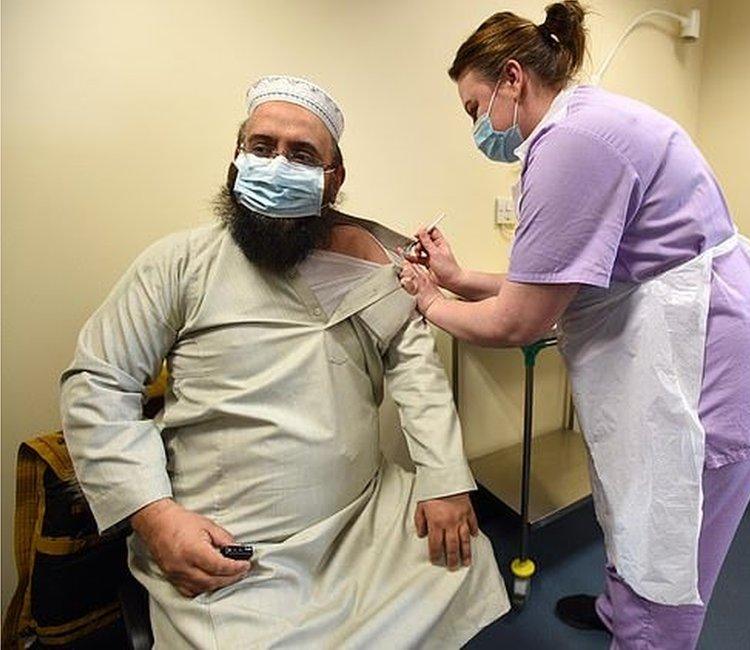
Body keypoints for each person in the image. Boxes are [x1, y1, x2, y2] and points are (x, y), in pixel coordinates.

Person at [398, 3, 750, 648]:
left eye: (475, 109)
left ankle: (644, 632)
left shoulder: (572, 143)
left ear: (512, 78)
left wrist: (428, 302)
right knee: (632, 505)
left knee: (667, 548)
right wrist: (453, 277)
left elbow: (519, 321)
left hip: (712, 373)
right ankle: (622, 611)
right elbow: (557, 280)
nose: (478, 128)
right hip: (691, 346)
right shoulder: (587, 124)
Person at [60, 75, 509, 649]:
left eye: (301, 155)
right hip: (236, 541)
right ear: (236, 156)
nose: (276, 166)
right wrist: (155, 517)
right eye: (262, 147)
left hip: (362, 517)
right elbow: (99, 382)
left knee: (466, 563)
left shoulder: (376, 266)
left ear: (333, 179)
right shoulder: (179, 264)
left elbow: (415, 371)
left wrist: (445, 482)